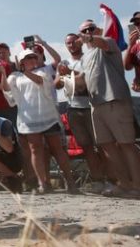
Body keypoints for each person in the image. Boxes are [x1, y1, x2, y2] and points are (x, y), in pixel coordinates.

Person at [1, 49, 78, 194]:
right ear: (22, 61)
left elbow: (40, 81)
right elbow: (8, 93)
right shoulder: (15, 77)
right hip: (29, 119)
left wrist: (24, 71)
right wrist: (3, 74)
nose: (32, 59)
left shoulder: (43, 71)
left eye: (33, 57)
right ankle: (43, 184)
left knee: (57, 149)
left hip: (48, 117)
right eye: (28, 57)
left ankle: (70, 181)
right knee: (35, 150)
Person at [80, 20, 140, 197]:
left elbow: (103, 43)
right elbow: (83, 82)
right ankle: (124, 184)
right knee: (107, 146)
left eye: (91, 29)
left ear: (98, 30)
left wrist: (90, 37)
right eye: (84, 30)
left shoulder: (108, 42)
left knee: (126, 145)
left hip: (114, 100)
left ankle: (137, 186)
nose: (88, 32)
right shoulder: (85, 57)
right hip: (95, 105)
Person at [56, 32, 107, 193]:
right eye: (68, 43)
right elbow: (57, 85)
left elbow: (86, 83)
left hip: (91, 106)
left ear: (80, 42)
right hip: (73, 109)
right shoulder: (64, 62)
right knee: (87, 147)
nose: (71, 45)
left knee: (104, 146)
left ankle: (112, 178)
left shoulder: (88, 58)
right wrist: (62, 73)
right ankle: (98, 180)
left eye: (73, 42)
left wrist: (69, 72)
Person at [122, 11, 140, 132]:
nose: (138, 26)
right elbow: (127, 66)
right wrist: (130, 45)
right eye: (137, 24)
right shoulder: (136, 46)